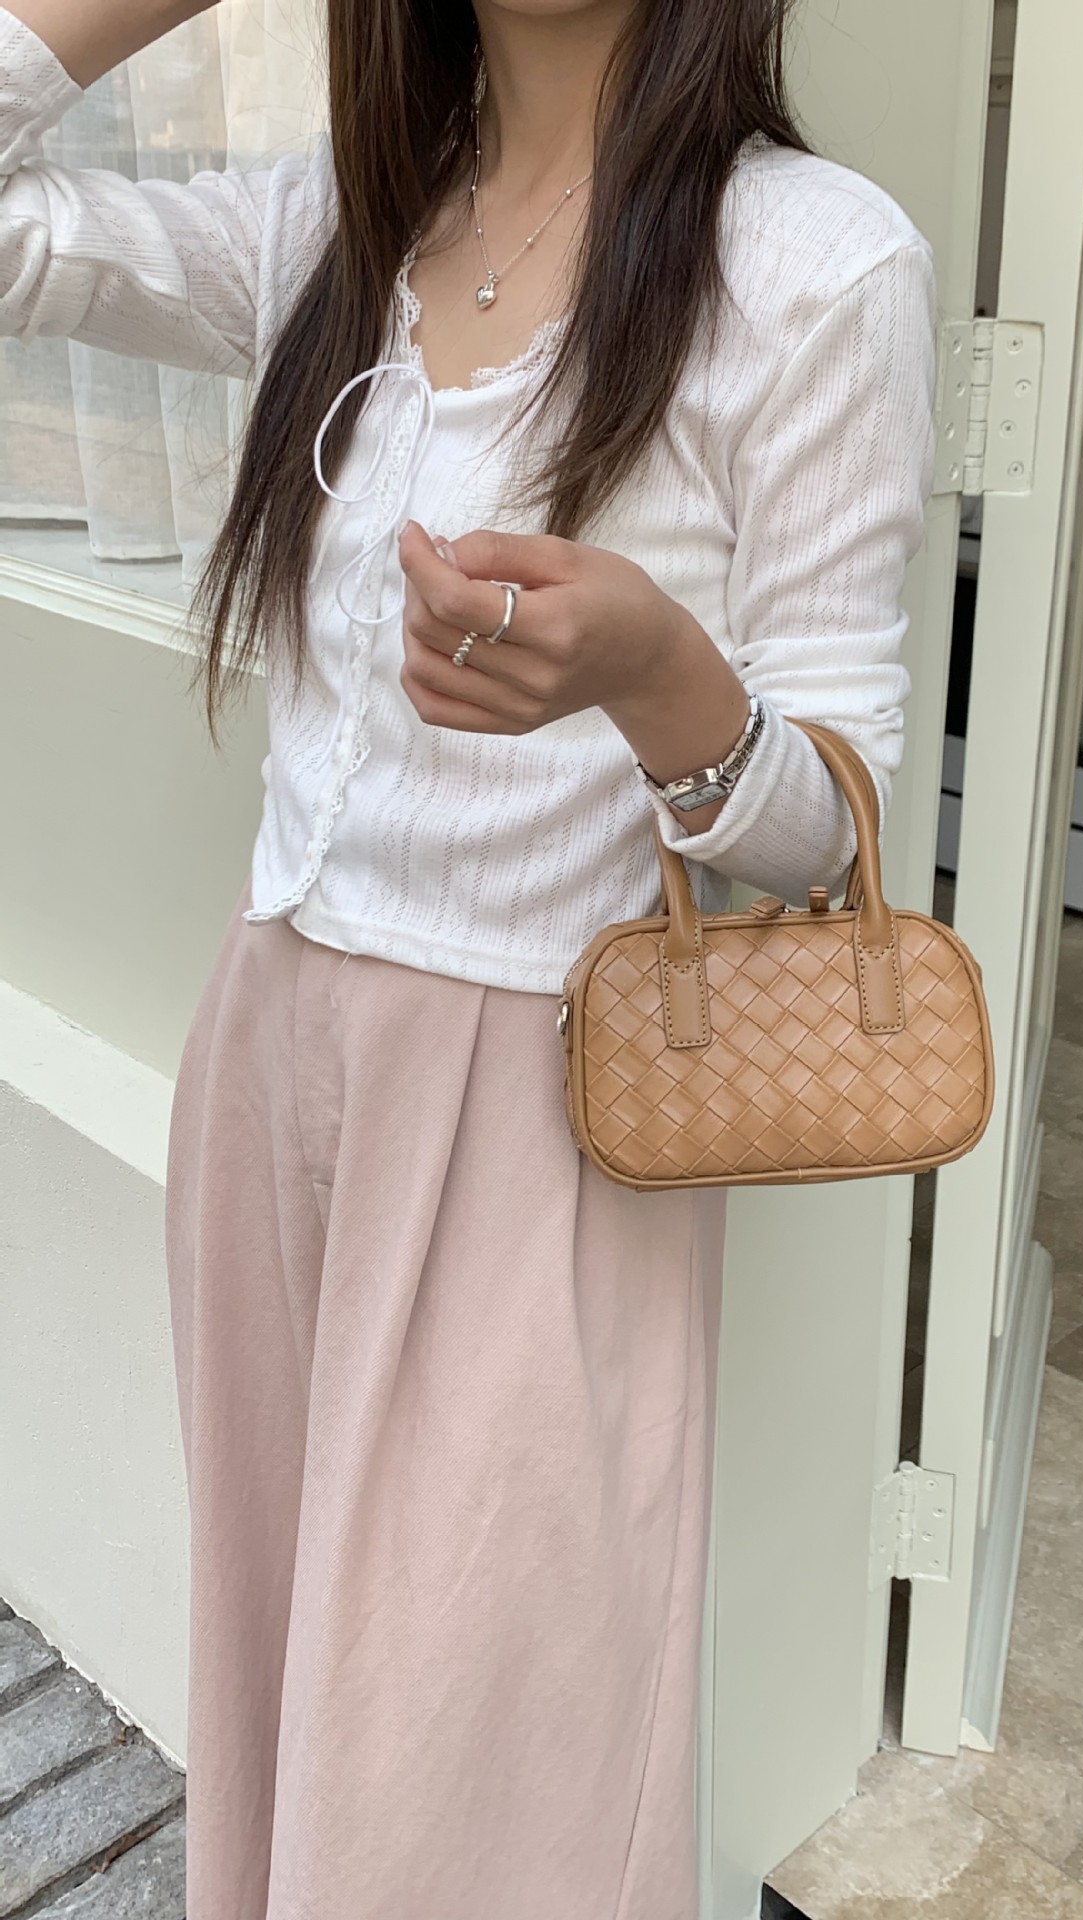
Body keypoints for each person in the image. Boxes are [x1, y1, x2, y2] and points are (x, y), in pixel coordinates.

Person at [0, 0, 937, 1911]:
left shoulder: (814, 263)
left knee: (472, 1760)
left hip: (548, 1110)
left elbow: (836, 839)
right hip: (273, 1049)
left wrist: (657, 675)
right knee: (283, 1665)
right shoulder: (333, 231)